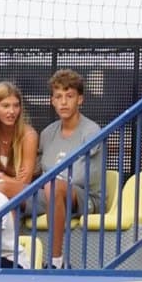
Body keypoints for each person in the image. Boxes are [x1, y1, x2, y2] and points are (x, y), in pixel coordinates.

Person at [35, 69, 103, 268]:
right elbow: (39, 170)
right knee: (6, 190)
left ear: (80, 99)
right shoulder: (47, 133)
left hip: (85, 198)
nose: (64, 102)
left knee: (53, 186)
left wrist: (52, 181)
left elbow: (83, 176)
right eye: (58, 96)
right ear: (52, 101)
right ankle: (10, 258)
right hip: (51, 193)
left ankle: (55, 261)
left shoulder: (91, 131)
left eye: (69, 96)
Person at [0, 81, 38, 201]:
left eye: (16, 105)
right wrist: (5, 180)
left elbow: (24, 183)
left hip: (27, 195)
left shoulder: (29, 135)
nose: (12, 111)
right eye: (6, 106)